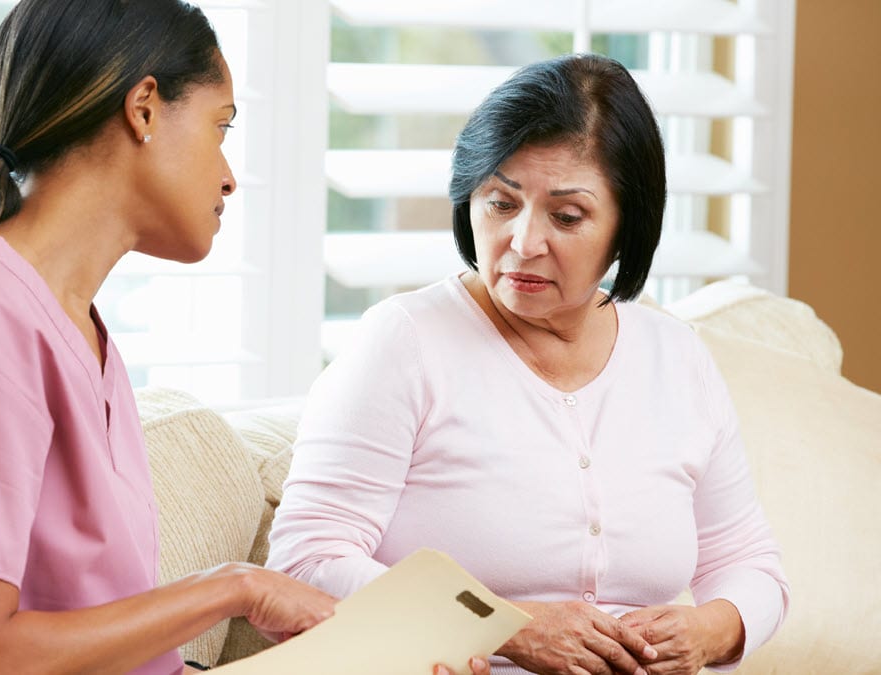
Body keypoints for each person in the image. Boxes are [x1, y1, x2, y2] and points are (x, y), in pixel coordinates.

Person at [0, 2, 340, 673]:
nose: (229, 175)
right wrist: (233, 587)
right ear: (146, 108)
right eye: (221, 127)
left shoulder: (78, 333)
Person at [266, 53, 789, 675]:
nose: (522, 242)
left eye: (567, 216)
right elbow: (305, 564)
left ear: (628, 226)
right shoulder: (405, 340)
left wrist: (708, 630)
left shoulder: (677, 357)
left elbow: (748, 561)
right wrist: (501, 625)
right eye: (500, 202)